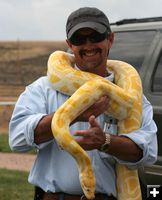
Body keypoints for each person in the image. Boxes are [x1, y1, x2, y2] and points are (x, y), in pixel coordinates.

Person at [9, 7, 157, 200]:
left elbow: (148, 152)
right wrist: (74, 113)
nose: (88, 45)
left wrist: (105, 141)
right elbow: (17, 140)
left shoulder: (131, 96)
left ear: (110, 39)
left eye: (95, 37)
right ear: (70, 45)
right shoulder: (44, 89)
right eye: (79, 40)